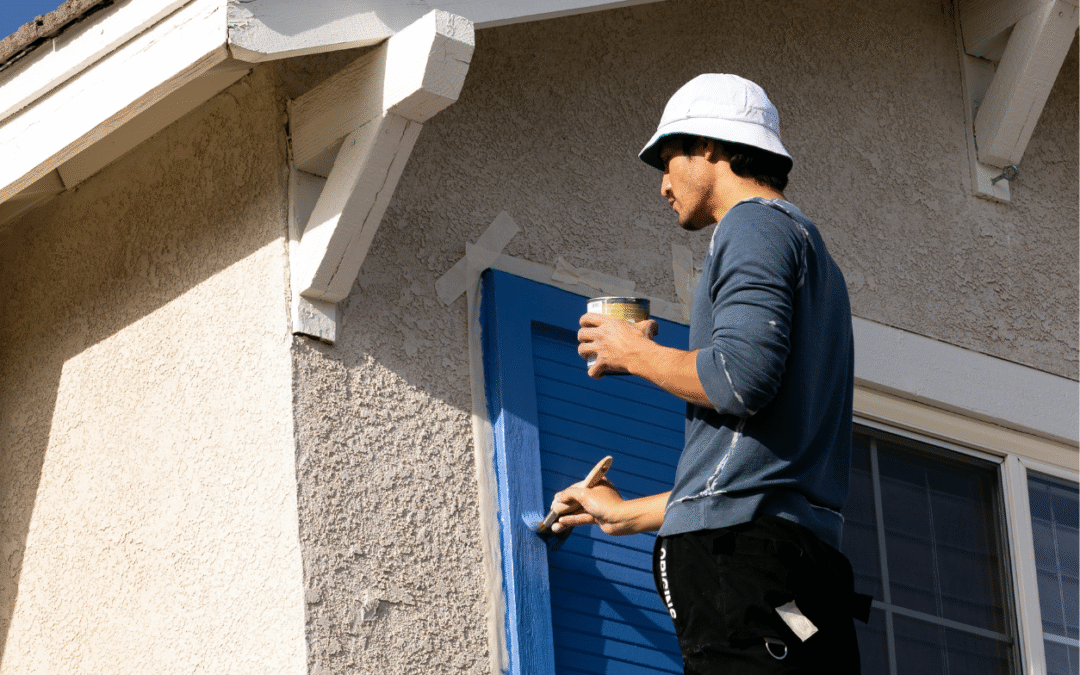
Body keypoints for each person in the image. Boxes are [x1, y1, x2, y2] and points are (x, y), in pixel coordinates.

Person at [549, 74, 869, 674]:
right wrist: (625, 513)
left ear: (712, 149)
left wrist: (632, 352)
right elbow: (759, 480)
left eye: (668, 160)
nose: (664, 184)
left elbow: (738, 380)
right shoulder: (814, 255)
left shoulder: (753, 225)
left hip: (747, 566)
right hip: (800, 585)